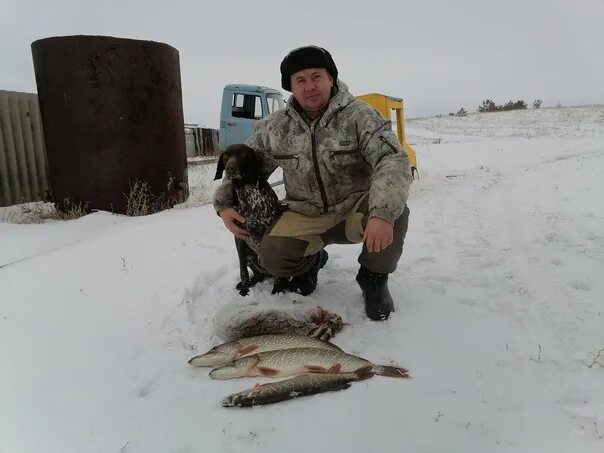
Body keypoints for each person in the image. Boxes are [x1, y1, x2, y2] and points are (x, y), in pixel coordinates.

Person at [214, 45, 412, 321]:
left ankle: (373, 278)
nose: (310, 86)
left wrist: (381, 213)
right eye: (300, 80)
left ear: (331, 78)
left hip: (354, 209)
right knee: (271, 259)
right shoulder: (275, 127)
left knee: (395, 212)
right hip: (305, 213)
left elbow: (393, 162)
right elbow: (242, 165)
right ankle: (310, 263)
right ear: (291, 87)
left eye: (316, 76)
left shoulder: (360, 116)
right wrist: (223, 205)